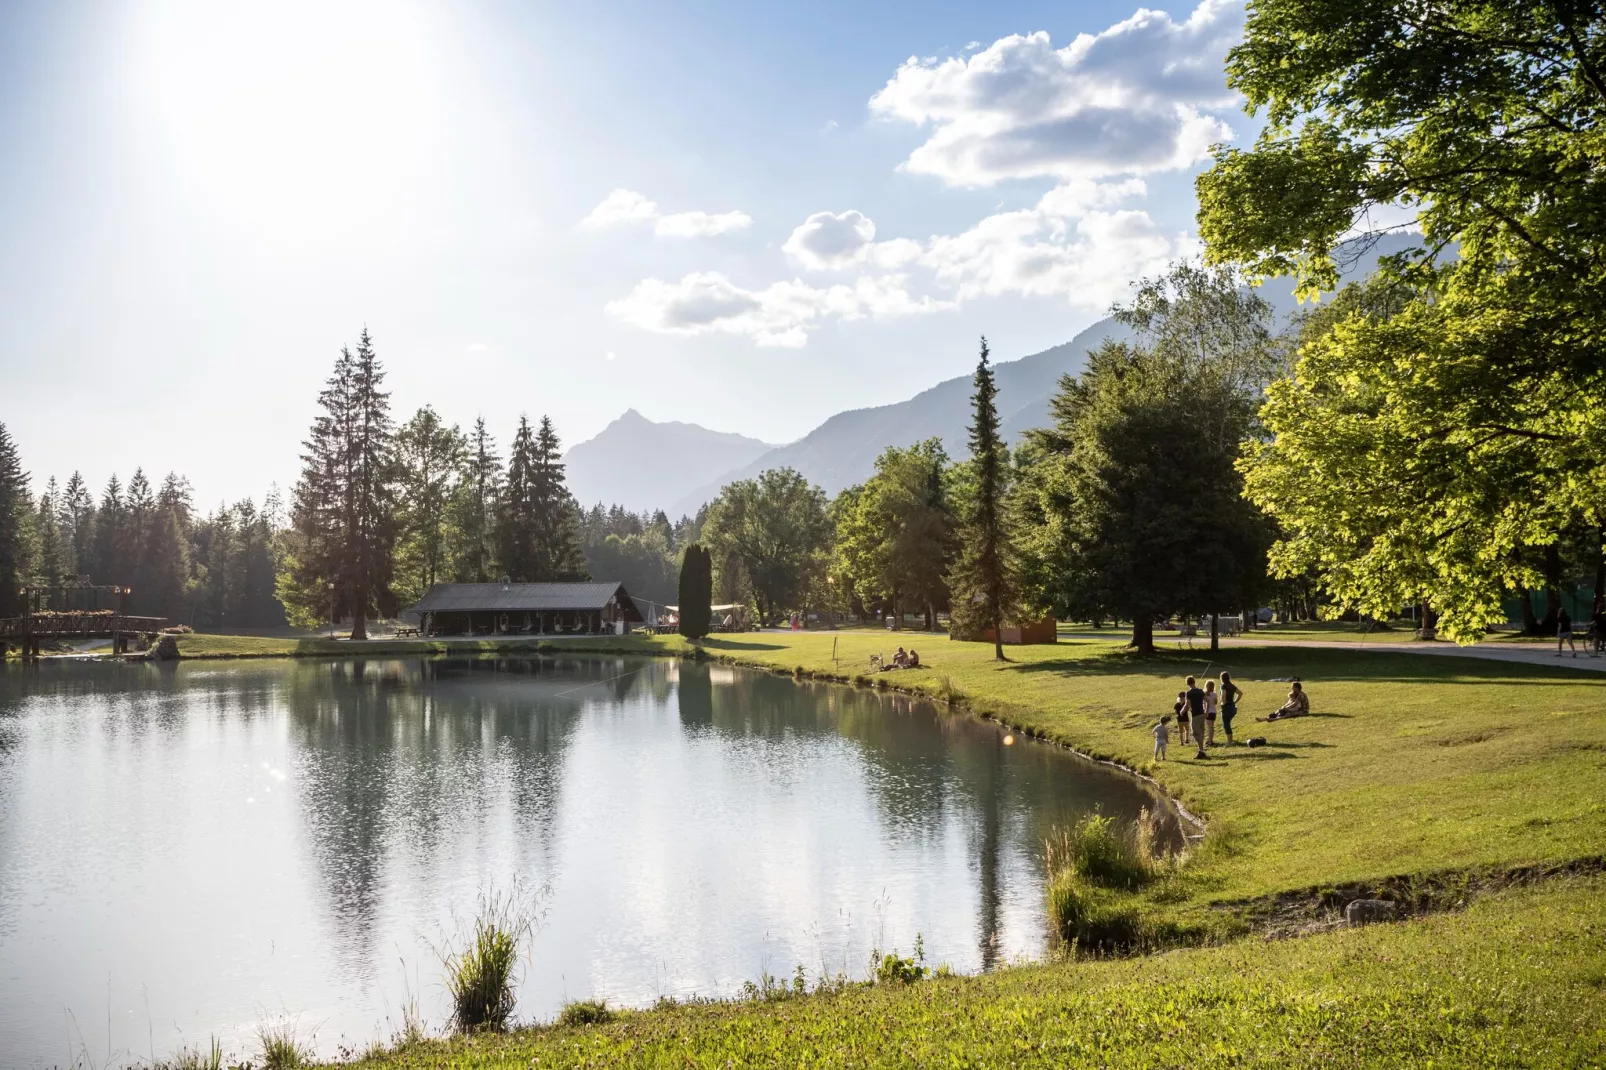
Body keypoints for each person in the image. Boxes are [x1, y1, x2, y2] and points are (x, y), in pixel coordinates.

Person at [1183, 676, 1208, 760]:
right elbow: (1208, 700)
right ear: (1194, 681)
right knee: (1201, 732)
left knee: (1196, 733)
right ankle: (1201, 751)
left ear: (1187, 683)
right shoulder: (1200, 691)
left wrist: (1182, 711)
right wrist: (1206, 712)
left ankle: (1201, 751)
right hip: (1202, 714)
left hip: (1195, 715)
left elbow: (1187, 705)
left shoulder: (1189, 693)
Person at [1219, 671, 1244, 744]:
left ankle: (1229, 741)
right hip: (1233, 708)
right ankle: (1231, 739)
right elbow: (1240, 693)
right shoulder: (1232, 685)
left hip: (1226, 708)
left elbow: (1223, 693)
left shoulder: (1223, 686)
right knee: (1228, 723)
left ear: (1221, 678)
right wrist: (1235, 702)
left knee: (1226, 725)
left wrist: (1223, 702)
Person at [1203, 679, 1219, 746]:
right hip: (1213, 712)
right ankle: (1210, 739)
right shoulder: (1214, 694)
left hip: (1207, 712)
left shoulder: (1203, 694)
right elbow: (1215, 703)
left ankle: (1210, 741)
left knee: (1209, 727)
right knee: (1211, 727)